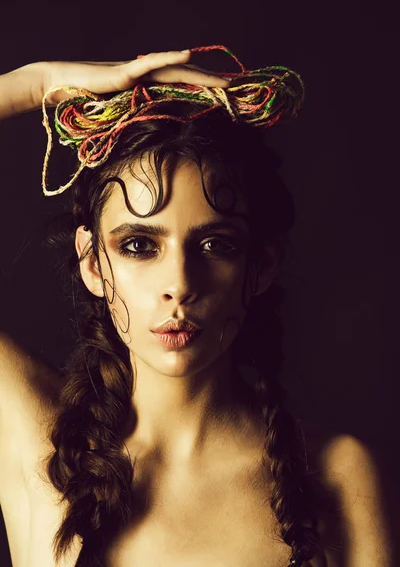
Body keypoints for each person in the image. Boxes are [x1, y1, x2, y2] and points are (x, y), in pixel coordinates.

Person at [0, 46, 393, 567]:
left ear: (261, 265)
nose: (180, 285)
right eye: (140, 245)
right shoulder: (38, 449)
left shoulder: (337, 476)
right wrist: (40, 81)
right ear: (93, 263)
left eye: (216, 245)